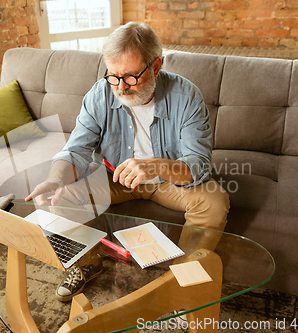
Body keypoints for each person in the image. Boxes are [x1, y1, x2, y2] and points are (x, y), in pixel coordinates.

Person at [25, 21, 230, 302]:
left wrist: (154, 166)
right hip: (115, 178)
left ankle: (181, 278)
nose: (121, 87)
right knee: (57, 197)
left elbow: (198, 165)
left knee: (214, 201)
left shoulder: (187, 96)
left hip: (168, 181)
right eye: (114, 76)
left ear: (156, 66)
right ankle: (87, 263)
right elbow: (76, 150)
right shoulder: (100, 93)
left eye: (131, 77)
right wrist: (55, 179)